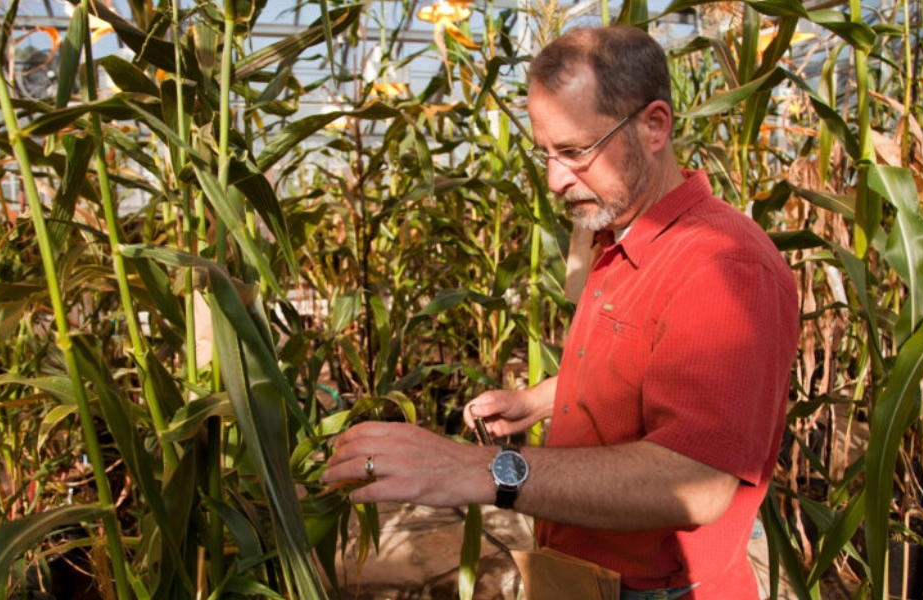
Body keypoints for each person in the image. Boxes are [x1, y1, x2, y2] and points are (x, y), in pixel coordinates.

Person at [322, 25, 799, 600]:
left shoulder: (725, 266)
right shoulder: (617, 233)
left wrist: (476, 470)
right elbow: (633, 365)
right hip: (583, 577)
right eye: (545, 153)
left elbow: (694, 483)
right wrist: (534, 401)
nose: (554, 179)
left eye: (575, 152)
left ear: (654, 126)